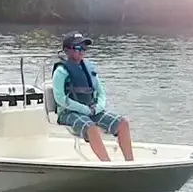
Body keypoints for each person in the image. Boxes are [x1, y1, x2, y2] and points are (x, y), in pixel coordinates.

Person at [51, 31, 134, 161]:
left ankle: (130, 162)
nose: (81, 51)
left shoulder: (89, 68)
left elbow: (101, 93)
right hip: (69, 112)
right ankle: (107, 164)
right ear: (67, 51)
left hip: (93, 109)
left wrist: (97, 108)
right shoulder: (61, 72)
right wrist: (85, 110)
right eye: (78, 48)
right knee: (91, 128)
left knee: (123, 123)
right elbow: (60, 99)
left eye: (84, 48)